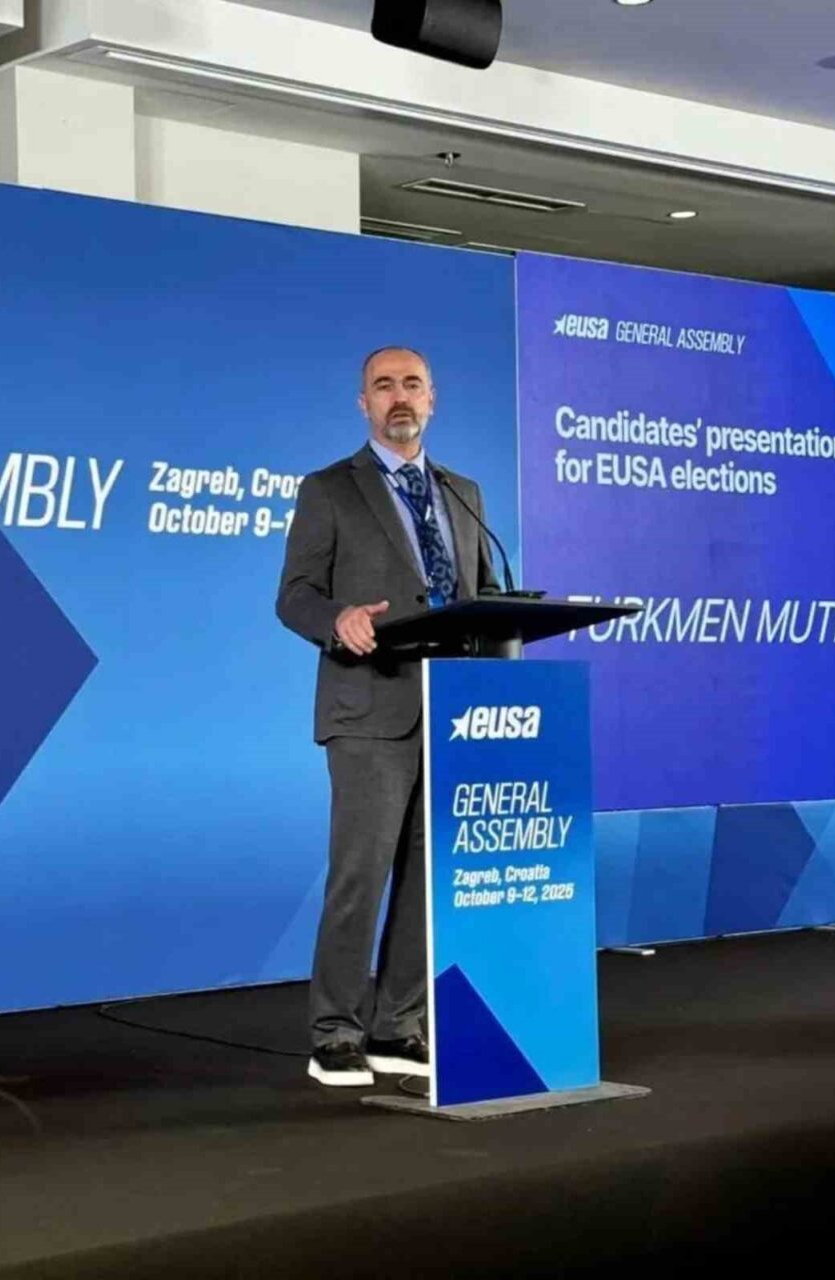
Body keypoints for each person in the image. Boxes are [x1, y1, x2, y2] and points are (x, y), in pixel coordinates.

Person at [276, 346, 499, 1087]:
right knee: (362, 875)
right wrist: (337, 619)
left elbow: (483, 594)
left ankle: (398, 1027)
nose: (398, 397)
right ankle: (335, 1032)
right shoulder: (329, 490)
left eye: (411, 384)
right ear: (363, 403)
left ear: (432, 398)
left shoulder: (463, 492)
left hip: (453, 707)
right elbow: (295, 596)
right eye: (383, 386)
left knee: (427, 880)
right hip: (369, 706)